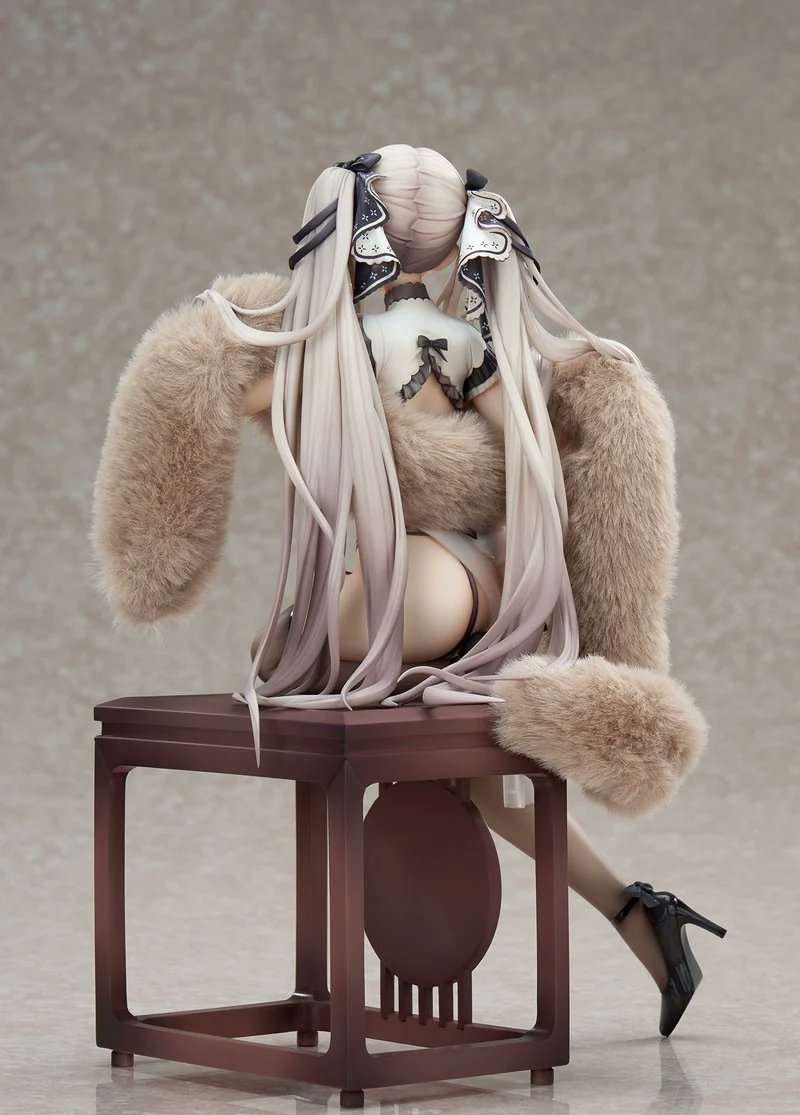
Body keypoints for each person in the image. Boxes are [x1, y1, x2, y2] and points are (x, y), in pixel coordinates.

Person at [93, 144, 725, 1034]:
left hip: (435, 574)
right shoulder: (443, 347)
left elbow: (239, 401)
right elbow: (529, 450)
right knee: (481, 789)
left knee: (292, 653)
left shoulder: (367, 349)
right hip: (446, 577)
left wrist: (225, 336)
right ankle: (638, 911)